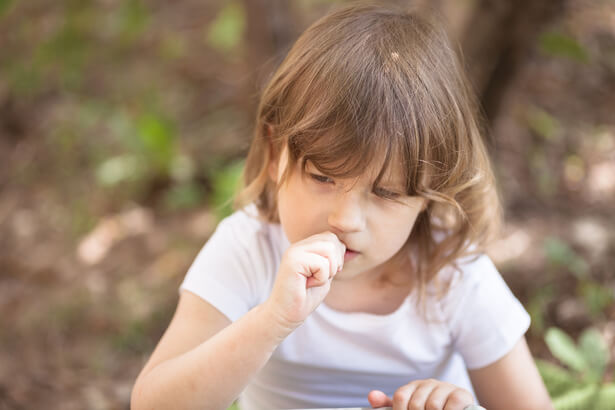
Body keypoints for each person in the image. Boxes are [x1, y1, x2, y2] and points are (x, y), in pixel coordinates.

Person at [131, 3, 553, 410]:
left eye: (386, 194)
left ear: (429, 195)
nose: (345, 220)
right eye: (322, 178)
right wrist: (273, 320)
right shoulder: (248, 249)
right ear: (277, 153)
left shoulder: (452, 275)